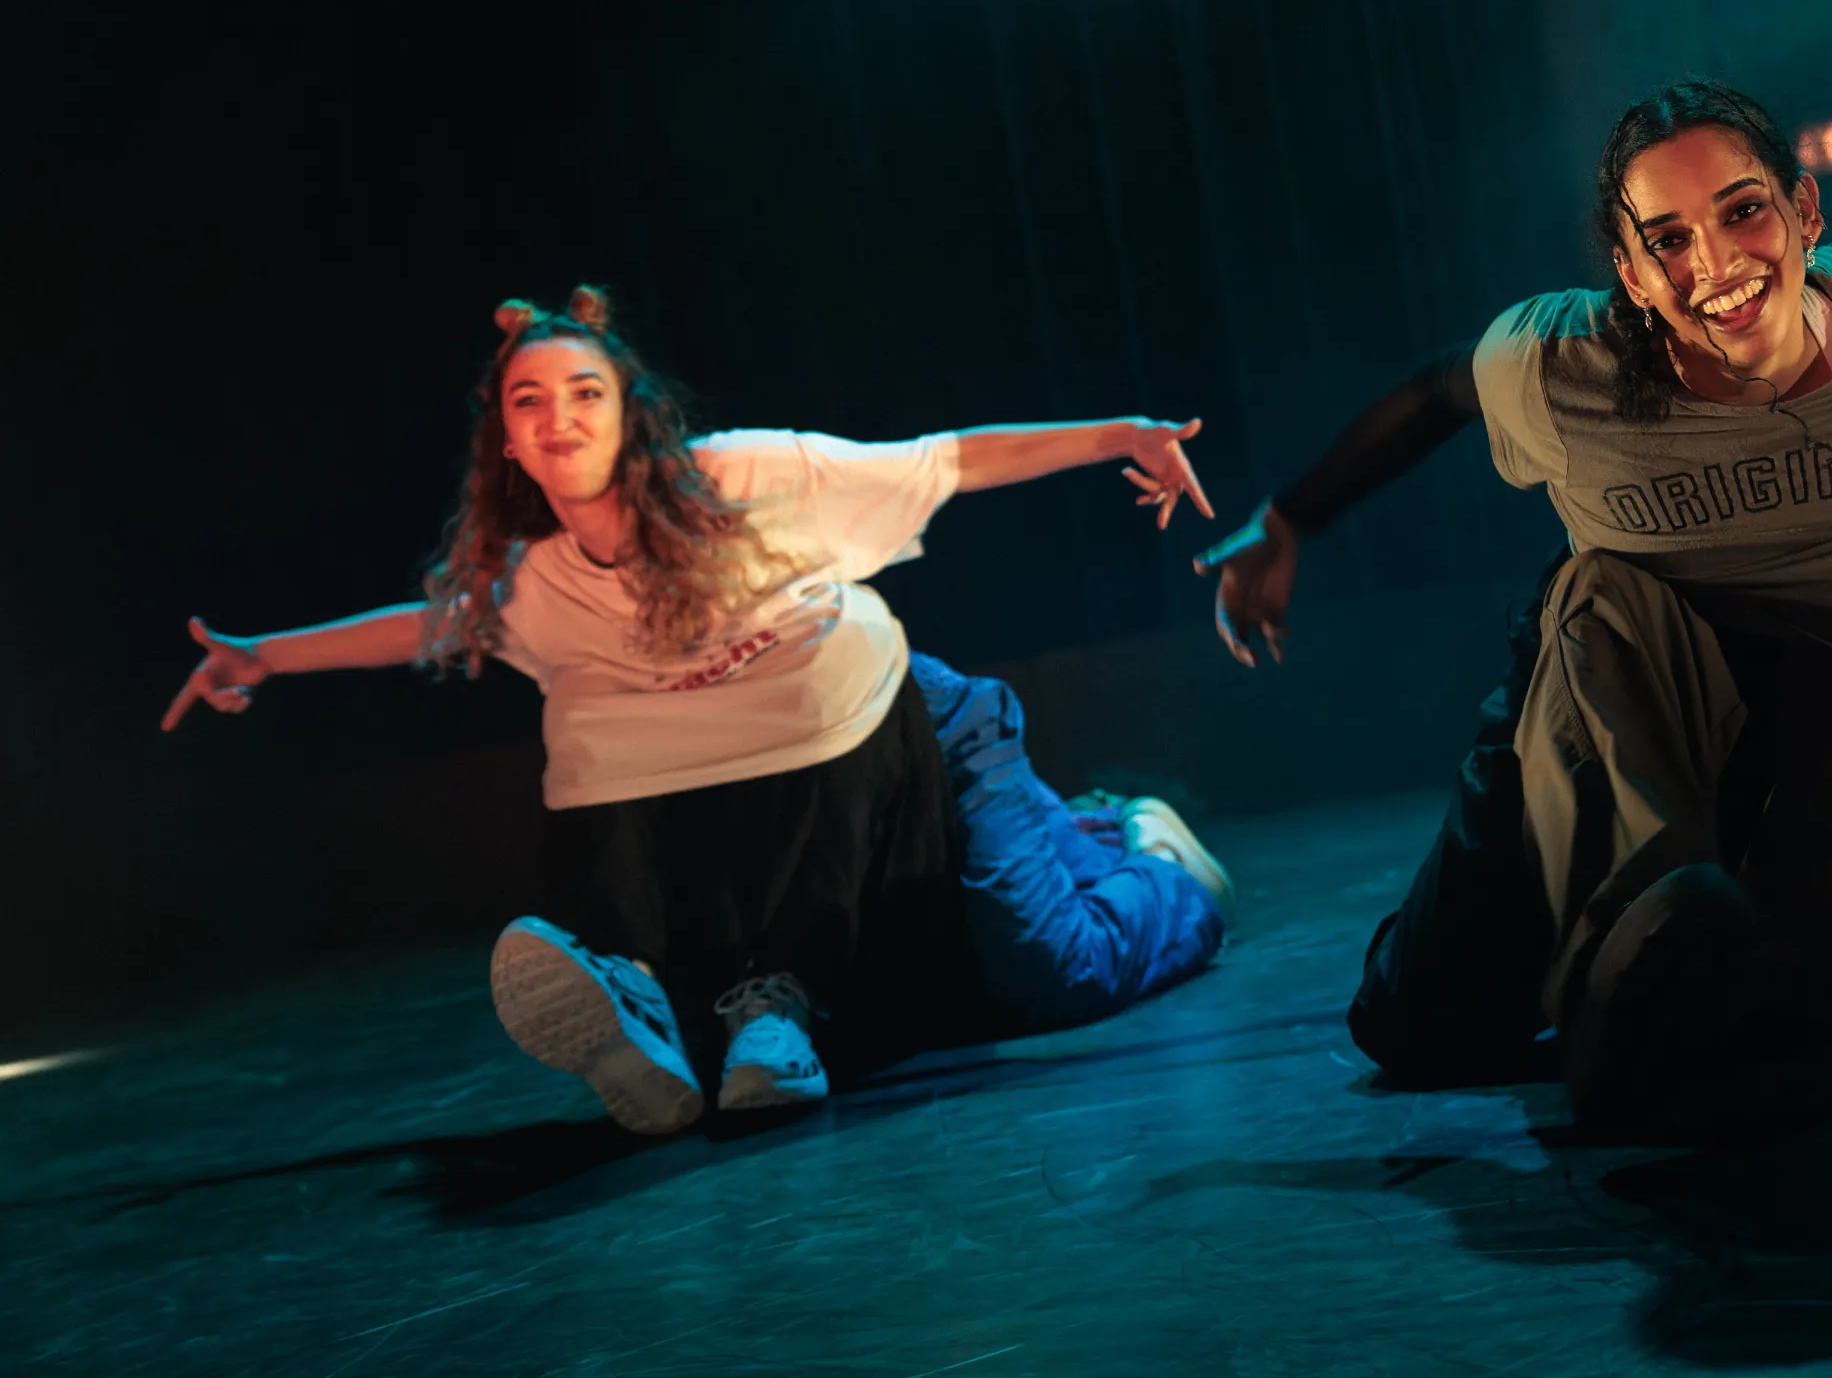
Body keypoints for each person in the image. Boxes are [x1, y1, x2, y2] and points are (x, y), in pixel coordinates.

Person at [1199, 80, 1832, 1139]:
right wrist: (1288, 522)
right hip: (1634, 713)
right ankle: (1651, 949)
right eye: (1667, 239)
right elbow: (1437, 393)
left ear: (1804, 212)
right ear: (1629, 272)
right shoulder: (1564, 366)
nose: (1715, 264)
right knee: (1416, 1032)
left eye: (1742, 211)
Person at [163, 288, 1234, 1135]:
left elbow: (941, 461)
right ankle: (660, 999)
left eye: (584, 392)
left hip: (933, 737)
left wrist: (1119, 436)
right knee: (902, 999)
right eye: (528, 403)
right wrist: (262, 657)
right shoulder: (542, 585)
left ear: (630, 414)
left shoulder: (745, 478)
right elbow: (432, 625)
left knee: (1052, 970)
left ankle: (1152, 852)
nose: (558, 417)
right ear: (507, 443)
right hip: (798, 794)